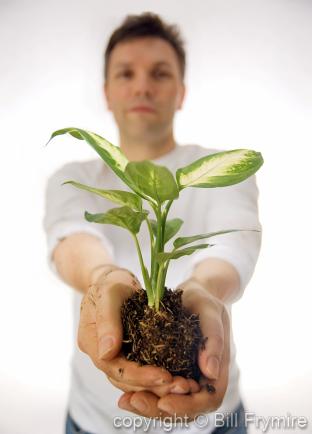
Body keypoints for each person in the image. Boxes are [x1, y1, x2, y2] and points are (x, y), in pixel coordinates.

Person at [43, 12, 261, 434]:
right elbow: (72, 238)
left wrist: (205, 291)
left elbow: (234, 246)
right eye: (126, 73)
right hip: (95, 421)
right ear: (106, 93)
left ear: (181, 92)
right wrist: (104, 277)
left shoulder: (211, 170)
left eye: (160, 73)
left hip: (214, 421)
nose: (142, 85)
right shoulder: (78, 178)